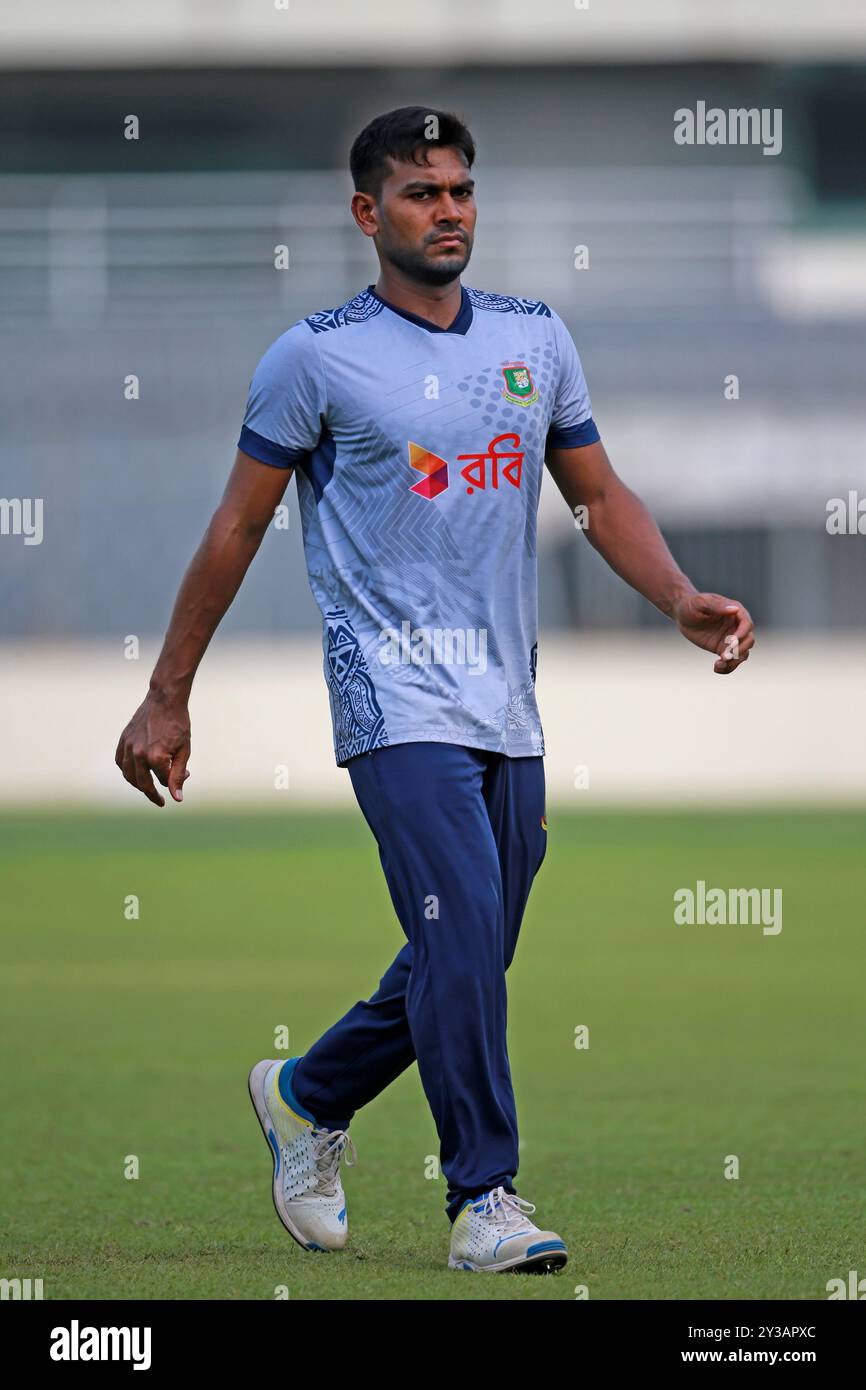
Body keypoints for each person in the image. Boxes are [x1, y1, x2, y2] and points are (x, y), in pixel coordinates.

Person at [115, 106, 754, 1274]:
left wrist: (676, 597)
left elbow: (599, 499)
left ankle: (307, 1093)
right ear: (368, 214)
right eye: (421, 193)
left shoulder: (533, 337)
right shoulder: (312, 356)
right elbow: (238, 525)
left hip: (505, 704)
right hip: (390, 698)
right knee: (459, 928)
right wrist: (167, 694)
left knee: (466, 947)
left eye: (461, 190)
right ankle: (482, 1199)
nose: (448, 210)